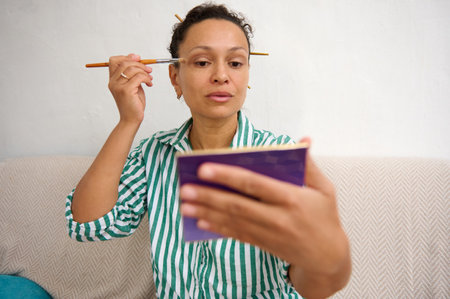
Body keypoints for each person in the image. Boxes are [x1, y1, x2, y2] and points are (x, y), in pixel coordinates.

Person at [66, 3, 351, 298]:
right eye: (202, 62)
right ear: (175, 77)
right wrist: (128, 120)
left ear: (247, 74)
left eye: (236, 63)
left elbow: (308, 284)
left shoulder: (276, 157)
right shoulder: (154, 153)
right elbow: (89, 225)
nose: (221, 75)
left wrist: (330, 261)